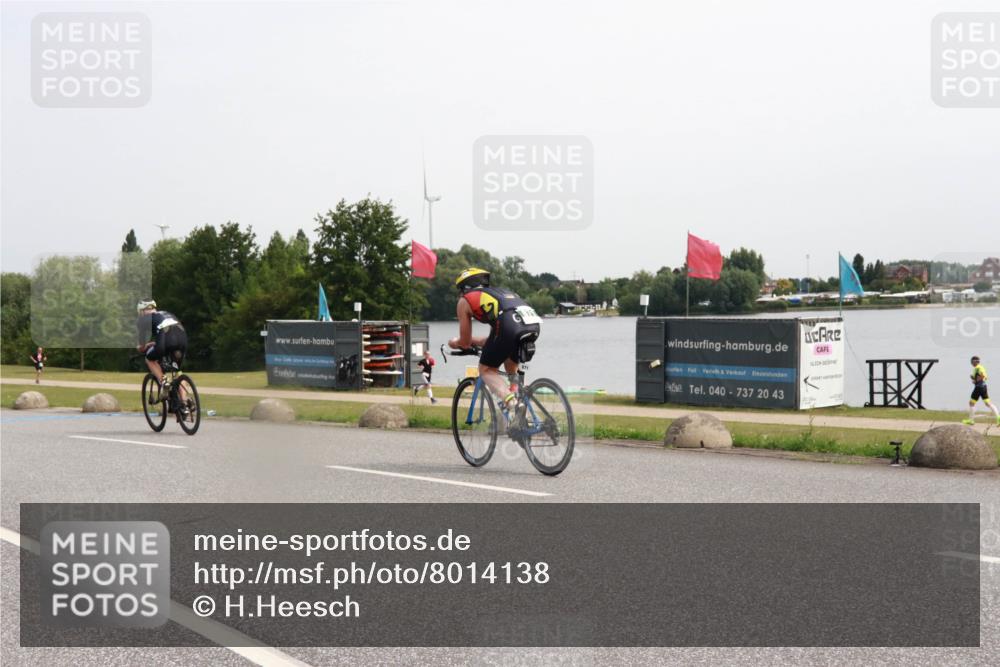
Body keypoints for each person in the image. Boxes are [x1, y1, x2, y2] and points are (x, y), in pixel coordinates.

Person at [448, 267, 541, 411]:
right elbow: (494, 337)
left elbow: (465, 342)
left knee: (486, 370)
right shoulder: (499, 294)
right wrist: (476, 341)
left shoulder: (465, 300)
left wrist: (454, 343)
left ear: (464, 287)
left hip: (508, 326)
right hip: (532, 325)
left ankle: (513, 404)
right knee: (511, 368)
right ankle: (519, 411)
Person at [135, 300, 187, 394]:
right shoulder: (166, 313)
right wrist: (157, 343)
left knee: (149, 359)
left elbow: (142, 346)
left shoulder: (143, 319)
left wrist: (142, 347)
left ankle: (164, 382)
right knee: (177, 372)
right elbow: (170, 332)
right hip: (182, 339)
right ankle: (185, 403)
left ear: (142, 311)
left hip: (166, 341)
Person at [963, 355, 1000, 426]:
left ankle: (971, 420)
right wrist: (974, 378)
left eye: (972, 362)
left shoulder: (977, 368)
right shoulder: (981, 367)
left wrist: (976, 381)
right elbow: (985, 377)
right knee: (988, 403)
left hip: (979, 387)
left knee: (971, 403)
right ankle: (998, 418)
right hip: (983, 387)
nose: (971, 363)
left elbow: (982, 376)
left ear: (974, 362)